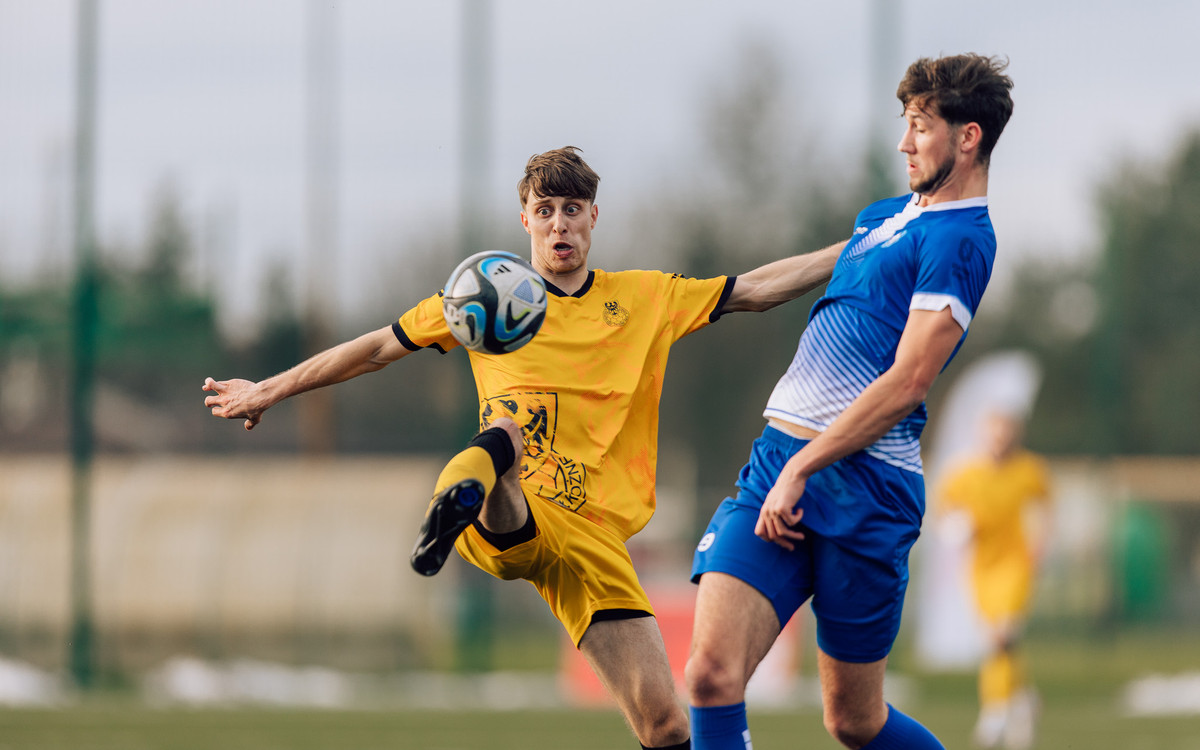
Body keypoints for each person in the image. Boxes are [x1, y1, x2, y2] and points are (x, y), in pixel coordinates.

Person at [203, 146, 845, 750]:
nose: (559, 225)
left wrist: (863, 248)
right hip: (511, 510)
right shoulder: (482, 297)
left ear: (593, 216)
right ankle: (459, 500)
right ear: (525, 220)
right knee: (509, 434)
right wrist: (268, 389)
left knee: (666, 723)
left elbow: (756, 289)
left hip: (593, 534)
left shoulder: (644, 297)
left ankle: (474, 486)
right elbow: (374, 348)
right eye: (545, 211)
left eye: (571, 210)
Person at [685, 53, 1015, 750]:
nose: (904, 142)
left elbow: (908, 382)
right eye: (905, 124)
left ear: (968, 137)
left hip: (866, 488)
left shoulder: (962, 240)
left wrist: (804, 467)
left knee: (854, 722)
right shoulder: (888, 216)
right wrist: (697, 301)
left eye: (920, 126)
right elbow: (802, 271)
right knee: (711, 675)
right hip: (780, 460)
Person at [938, 410, 1051, 750]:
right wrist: (956, 528)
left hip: (1015, 565)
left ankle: (995, 711)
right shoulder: (966, 474)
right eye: (993, 432)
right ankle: (1025, 699)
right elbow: (945, 513)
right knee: (998, 640)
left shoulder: (1029, 470)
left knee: (1001, 635)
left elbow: (1046, 507)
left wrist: (1041, 542)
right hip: (980, 567)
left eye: (1005, 432)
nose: (999, 439)